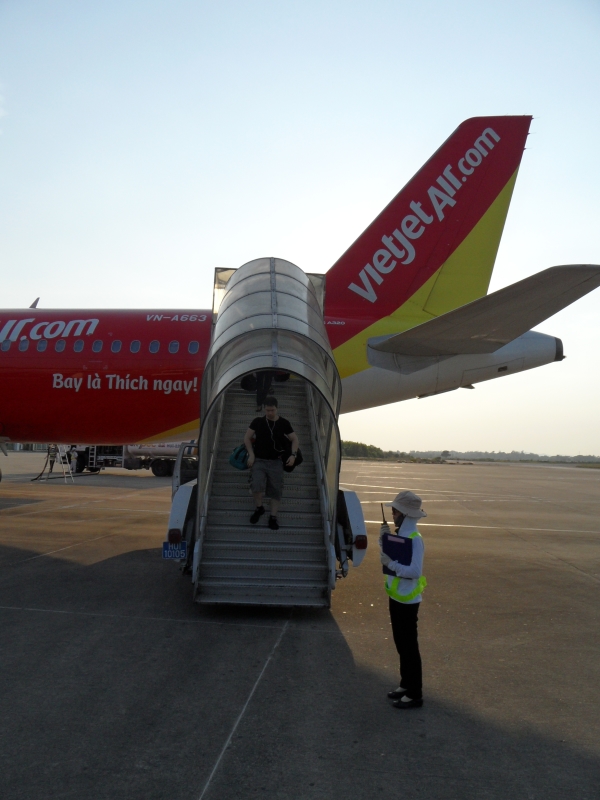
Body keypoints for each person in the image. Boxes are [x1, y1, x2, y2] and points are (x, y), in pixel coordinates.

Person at [380, 490, 428, 709]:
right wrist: (383, 539)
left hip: (408, 603)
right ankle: (405, 684)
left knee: (409, 648)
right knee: (401, 644)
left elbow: (415, 572)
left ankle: (415, 693)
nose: (393, 514)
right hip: (397, 598)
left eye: (395, 511)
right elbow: (389, 556)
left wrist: (391, 564)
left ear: (406, 514)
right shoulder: (401, 534)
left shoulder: (414, 539)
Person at [243, 396, 299, 531]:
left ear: (277, 409)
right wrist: (251, 455)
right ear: (264, 409)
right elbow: (247, 438)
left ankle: (273, 517)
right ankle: (259, 508)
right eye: (267, 410)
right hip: (259, 460)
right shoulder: (258, 421)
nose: (270, 413)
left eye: (272, 410)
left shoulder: (284, 423)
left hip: (276, 462)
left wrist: (293, 455)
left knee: (275, 490)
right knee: (256, 485)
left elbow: (295, 439)